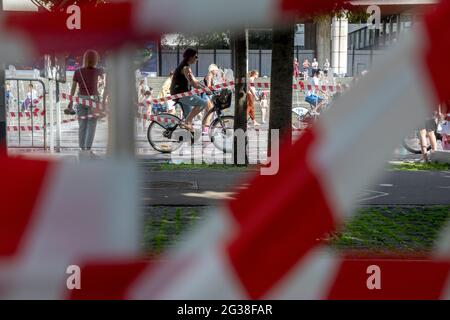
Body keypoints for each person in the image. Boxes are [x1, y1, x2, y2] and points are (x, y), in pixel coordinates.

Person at [66, 49, 106, 158]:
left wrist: (70, 102)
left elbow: (73, 89)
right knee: (91, 125)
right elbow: (104, 82)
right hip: (93, 100)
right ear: (96, 59)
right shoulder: (98, 71)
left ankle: (82, 148)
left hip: (80, 100)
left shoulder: (77, 71)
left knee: (82, 125)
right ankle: (88, 149)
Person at [170, 48, 213, 133]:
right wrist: (206, 90)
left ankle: (188, 136)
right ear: (190, 57)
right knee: (203, 103)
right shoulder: (185, 68)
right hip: (181, 93)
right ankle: (188, 122)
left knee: (189, 115)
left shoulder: (186, 67)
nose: (197, 59)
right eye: (196, 57)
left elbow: (195, 81)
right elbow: (193, 84)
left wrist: (205, 88)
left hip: (181, 93)